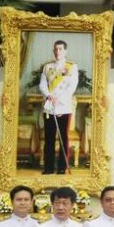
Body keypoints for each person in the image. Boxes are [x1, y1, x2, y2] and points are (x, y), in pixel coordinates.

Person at [39, 40, 78, 175]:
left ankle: (62, 167)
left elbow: (71, 87)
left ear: (65, 51)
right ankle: (48, 168)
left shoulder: (71, 67)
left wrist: (59, 100)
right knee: (49, 138)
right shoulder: (47, 67)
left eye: (60, 49)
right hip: (49, 107)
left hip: (63, 107)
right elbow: (42, 85)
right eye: (56, 49)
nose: (57, 51)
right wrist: (49, 95)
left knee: (63, 138)